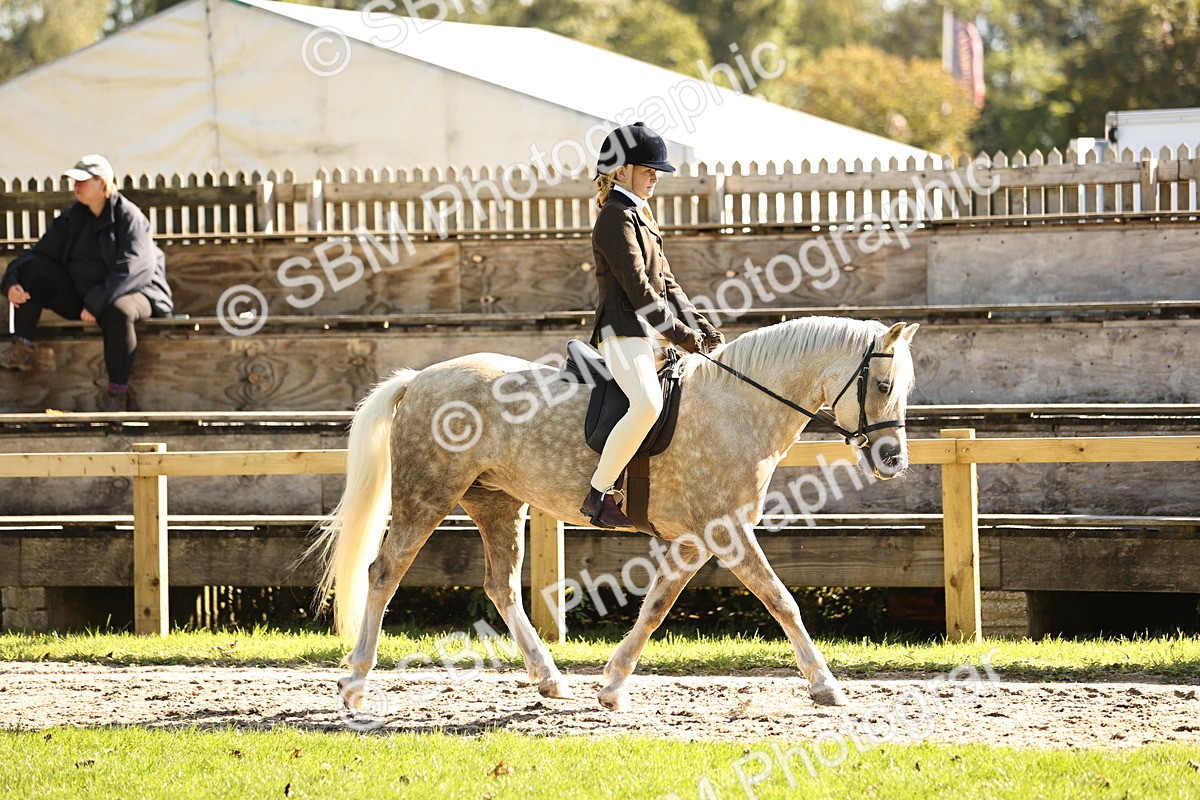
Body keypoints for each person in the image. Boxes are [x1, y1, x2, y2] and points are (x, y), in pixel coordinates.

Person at [580, 122, 723, 529]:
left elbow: (668, 283)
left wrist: (702, 325)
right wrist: (681, 335)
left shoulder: (640, 215)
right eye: (648, 171)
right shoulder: (615, 217)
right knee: (647, 404)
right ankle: (598, 494)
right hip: (622, 332)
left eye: (656, 172)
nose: (655, 178)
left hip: (646, 334)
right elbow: (640, 290)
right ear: (621, 171)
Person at [1, 154, 173, 411]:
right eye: (74, 181)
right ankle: (21, 348)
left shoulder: (130, 217)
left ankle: (117, 396)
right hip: (86, 300)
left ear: (102, 183)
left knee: (118, 312)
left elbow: (135, 268)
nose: (76, 186)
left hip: (137, 292)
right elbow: (39, 254)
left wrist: (97, 301)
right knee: (33, 271)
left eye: (82, 181)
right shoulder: (72, 217)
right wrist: (11, 282)